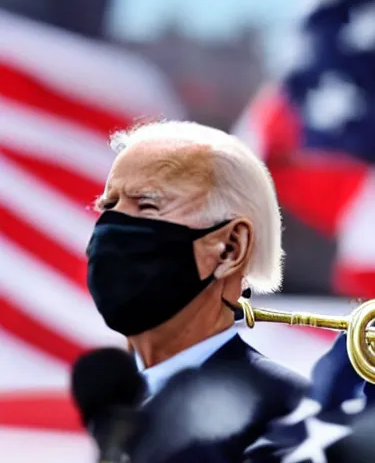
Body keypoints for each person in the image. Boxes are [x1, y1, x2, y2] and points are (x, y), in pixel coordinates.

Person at [84, 119, 309, 460]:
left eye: (147, 205)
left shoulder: (289, 414)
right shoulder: (116, 406)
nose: (109, 227)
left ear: (231, 247)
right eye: (108, 206)